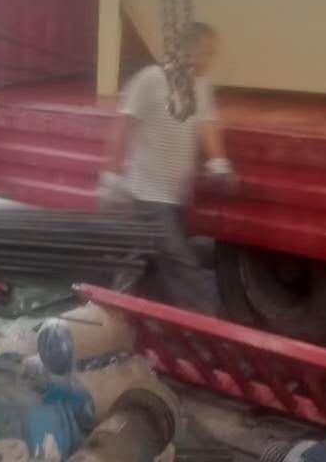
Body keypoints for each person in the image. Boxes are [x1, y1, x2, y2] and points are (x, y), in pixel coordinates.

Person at [99, 22, 237, 315]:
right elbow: (123, 124)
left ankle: (113, 308)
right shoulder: (151, 79)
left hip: (175, 194)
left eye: (212, 54)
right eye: (205, 52)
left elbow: (208, 126)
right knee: (179, 261)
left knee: (139, 253)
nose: (209, 60)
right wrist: (111, 174)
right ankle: (210, 322)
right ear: (185, 50)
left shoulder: (200, 86)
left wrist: (219, 162)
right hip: (148, 193)